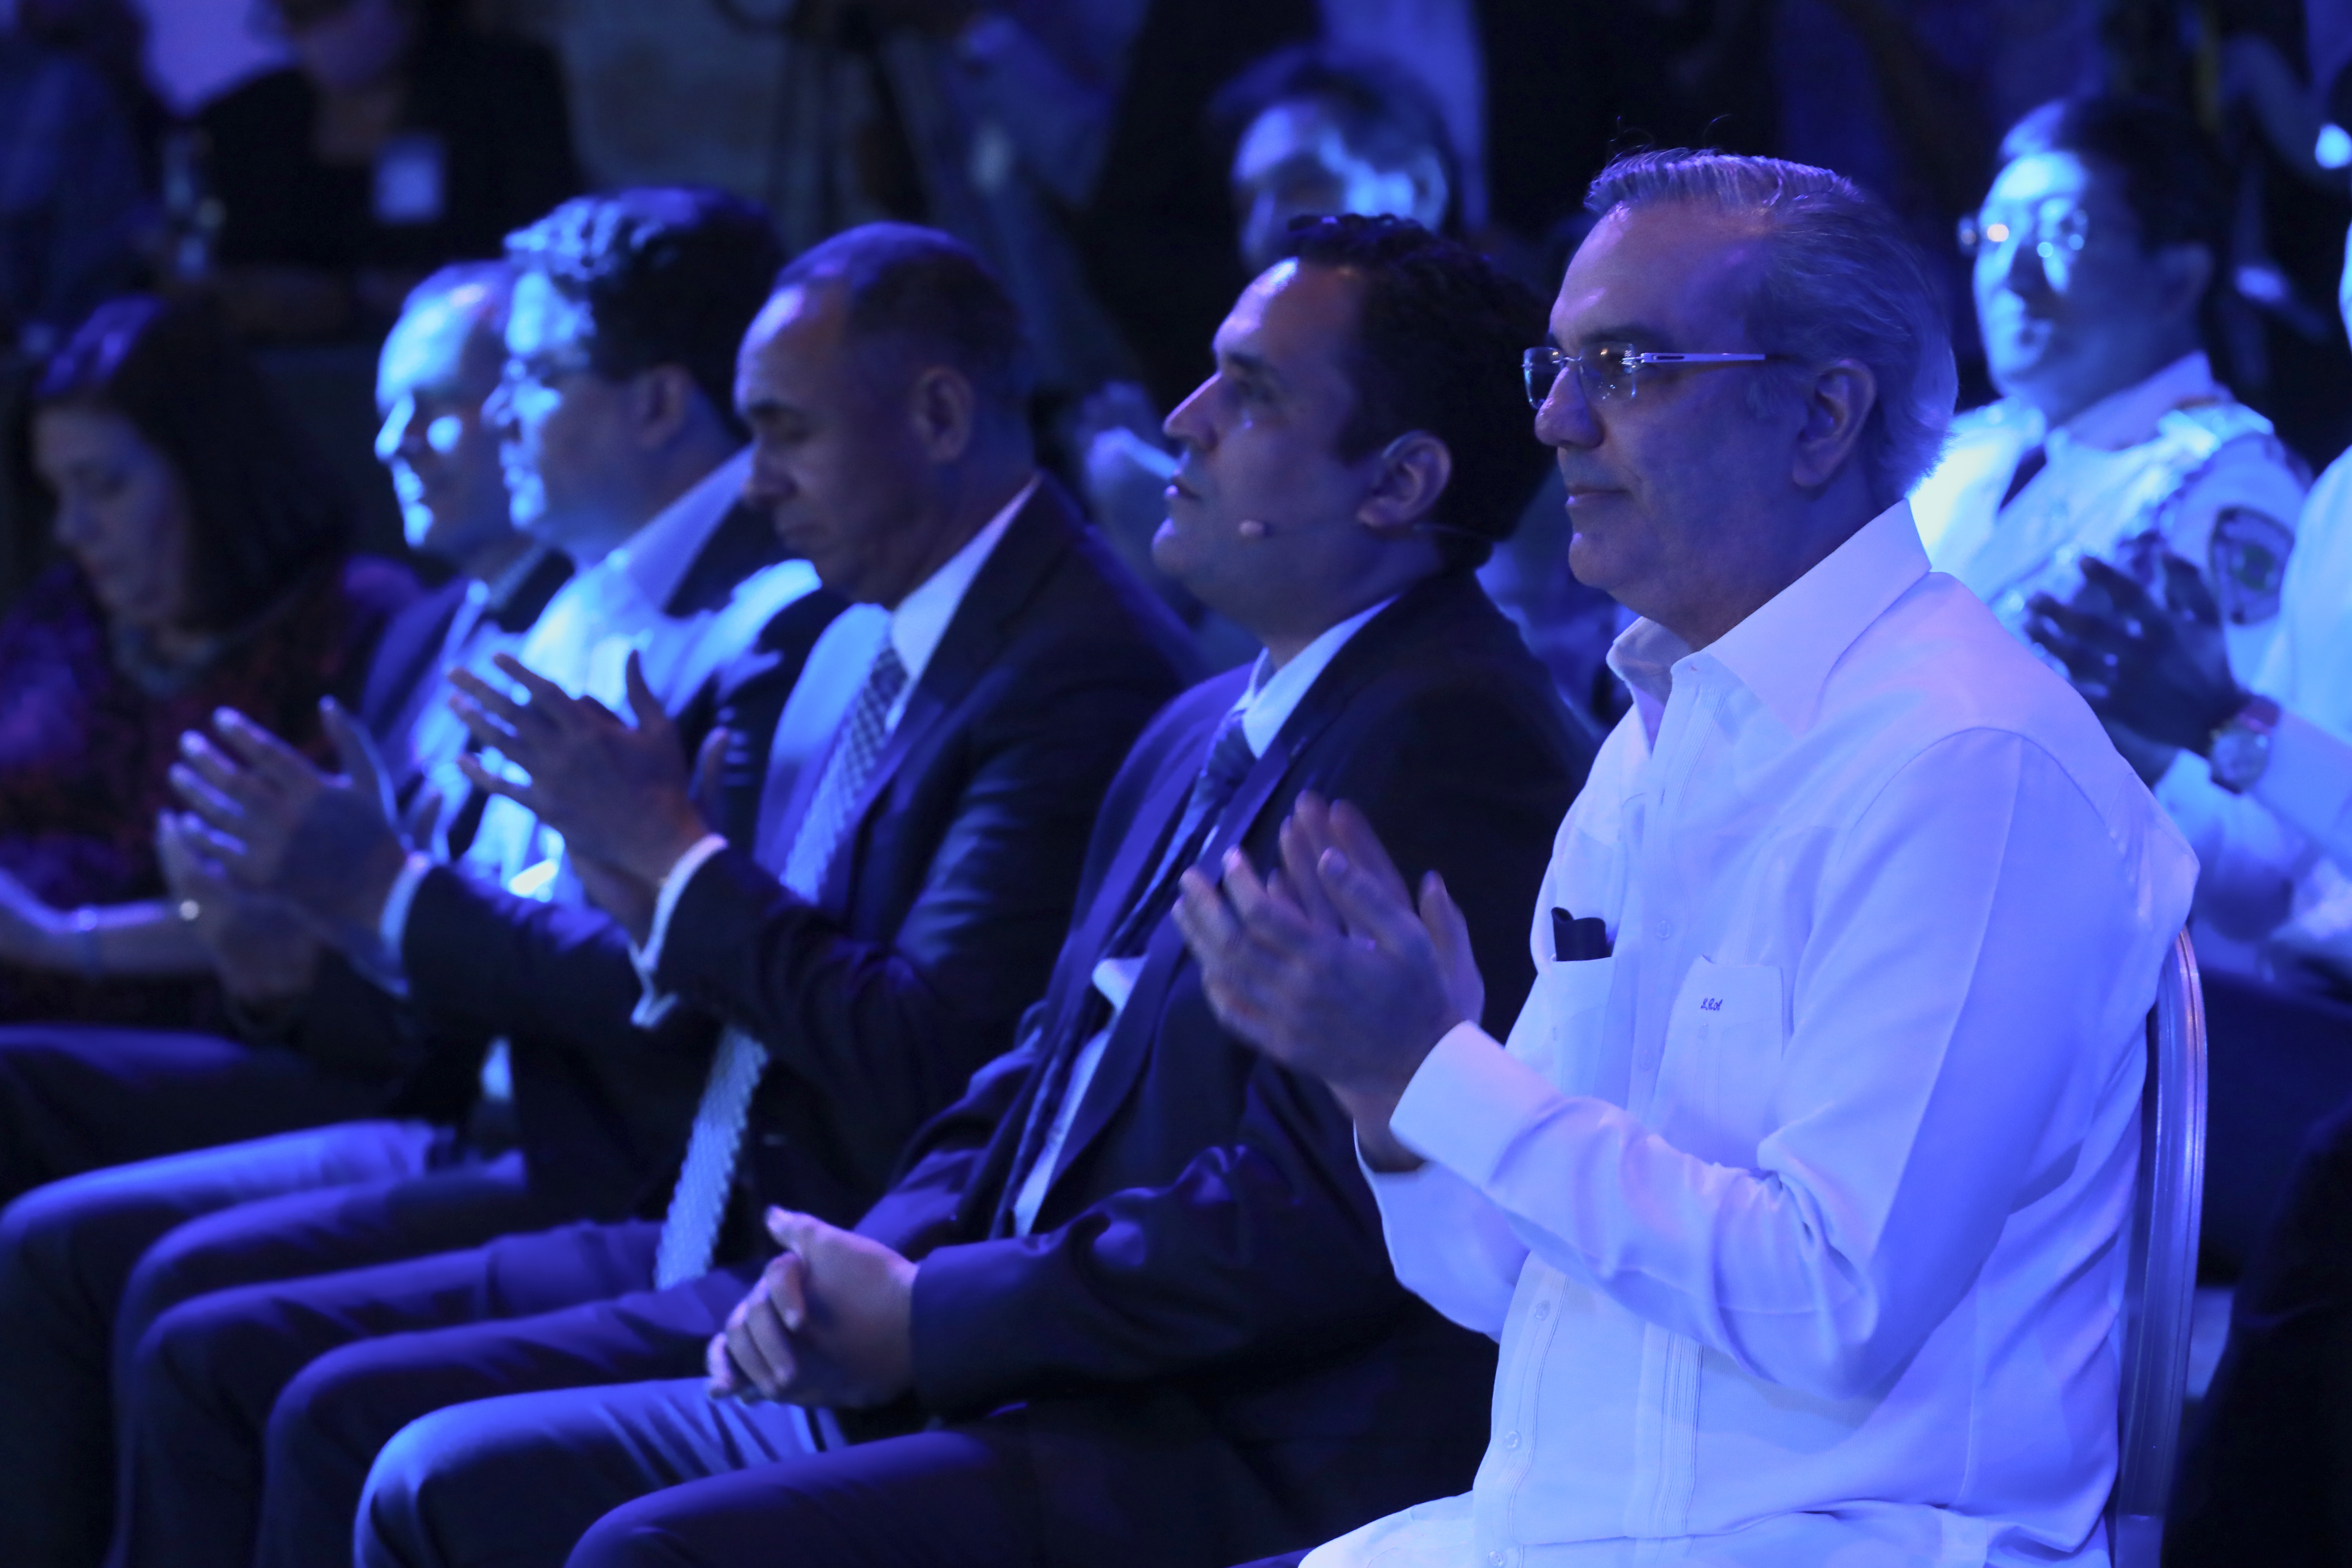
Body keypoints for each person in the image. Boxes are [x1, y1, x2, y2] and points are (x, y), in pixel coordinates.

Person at [342, 214, 1587, 1568]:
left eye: (1252, 392)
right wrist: (863, 1267)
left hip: (1223, 1439)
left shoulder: (1450, 733)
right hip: (1034, 1355)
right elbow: (1032, 1070)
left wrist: (932, 1311)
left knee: (627, 1540)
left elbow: (1306, 1215)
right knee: (440, 1476)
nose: (1182, 418)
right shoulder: (1209, 715)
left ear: (1398, 481)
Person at [107, 221, 1198, 1568]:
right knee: (242, 1353)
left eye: (786, 430)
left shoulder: (1072, 663)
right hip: (698, 1194)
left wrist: (666, 859)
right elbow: (728, 964)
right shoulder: (857, 622)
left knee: (349, 1420)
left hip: (837, 1248)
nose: (758, 476)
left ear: (937, 415)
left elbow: (922, 1060)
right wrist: (634, 885)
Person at [1174, 153, 2195, 1567]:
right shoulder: (1654, 742)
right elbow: (1512, 1286)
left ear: (1820, 416)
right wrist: (1390, 1097)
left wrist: (1442, 1072)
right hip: (1576, 1528)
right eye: (1555, 364)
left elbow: (1834, 1303)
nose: (1553, 418)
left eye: (1626, 366)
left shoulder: (1968, 762)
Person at [0, 191, 808, 1568]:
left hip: (612, 1156)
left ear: (662, 402)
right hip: (475, 1089)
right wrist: (293, 951)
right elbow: (433, 965)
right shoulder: (565, 600)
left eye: (526, 380)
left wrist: (373, 896)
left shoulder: (749, 622)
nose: (493, 421)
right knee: (100, 1261)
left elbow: (666, 984)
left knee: (210, 1331)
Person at [0, 295, 418, 1034]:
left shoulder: (351, 624)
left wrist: (59, 941)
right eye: (58, 493)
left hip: (192, 1031)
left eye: (106, 486)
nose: (73, 527)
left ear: (205, 471)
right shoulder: (63, 615)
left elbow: (325, 905)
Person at [1910, 94, 2309, 785]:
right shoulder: (1952, 453)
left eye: (2062, 232)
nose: (2012, 273)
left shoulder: (2227, 478)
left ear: (2178, 278)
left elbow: (2249, 804)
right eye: (1995, 234)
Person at [193, 0, 578, 341]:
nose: (311, 30)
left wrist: (357, 299)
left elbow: (538, 256)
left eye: (329, 8)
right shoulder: (246, 120)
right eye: (296, 13)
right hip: (281, 367)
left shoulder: (501, 93)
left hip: (459, 355)